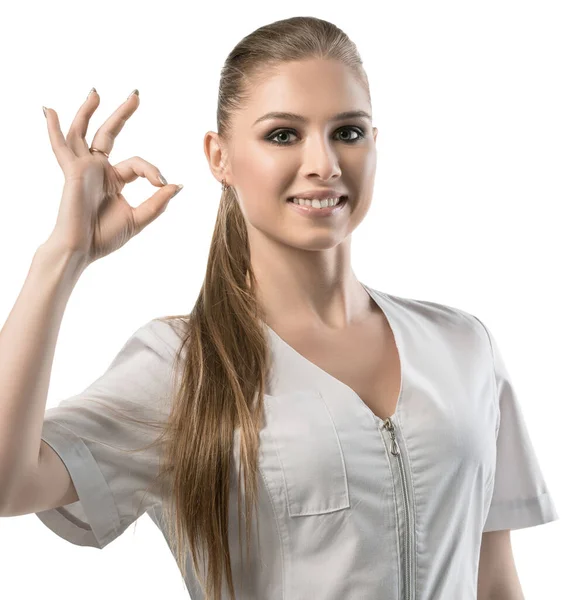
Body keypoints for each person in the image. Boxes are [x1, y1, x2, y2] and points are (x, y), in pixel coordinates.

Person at [0, 15, 558, 600]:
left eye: (348, 131)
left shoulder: (463, 346)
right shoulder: (182, 368)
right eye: (283, 135)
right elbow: (10, 485)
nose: (324, 163)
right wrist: (61, 257)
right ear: (220, 157)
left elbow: (495, 581)